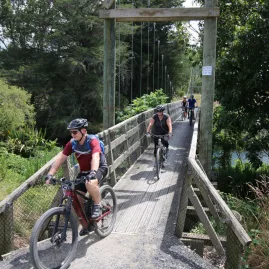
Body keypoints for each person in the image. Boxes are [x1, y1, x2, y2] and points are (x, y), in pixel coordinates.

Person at [45, 118, 108, 236]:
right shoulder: (73, 143)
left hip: (99, 167)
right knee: (78, 198)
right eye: (71, 132)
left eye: (75, 132)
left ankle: (97, 204)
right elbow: (60, 158)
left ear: (83, 131)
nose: (72, 134)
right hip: (84, 171)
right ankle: (87, 224)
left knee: (90, 183)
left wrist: (93, 172)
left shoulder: (92, 141)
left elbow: (95, 157)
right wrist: (50, 174)